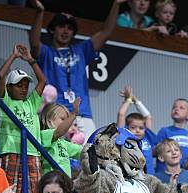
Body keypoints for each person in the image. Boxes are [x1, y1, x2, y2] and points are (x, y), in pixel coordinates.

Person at [30, 0, 123, 136]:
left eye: (70, 28)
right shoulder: (46, 53)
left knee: (90, 155)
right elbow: (34, 43)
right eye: (61, 26)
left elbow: (106, 32)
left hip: (83, 114)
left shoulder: (81, 50)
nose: (66, 31)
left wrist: (116, 4)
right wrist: (40, 13)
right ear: (51, 29)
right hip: (57, 113)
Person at [0, 43, 47, 193]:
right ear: (9, 88)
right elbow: (0, 76)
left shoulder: (31, 102)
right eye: (19, 86)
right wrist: (14, 56)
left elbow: (42, 80)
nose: (24, 89)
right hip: (11, 150)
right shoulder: (6, 101)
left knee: (34, 192)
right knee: (10, 189)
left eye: (26, 86)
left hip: (32, 151)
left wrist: (30, 59)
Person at [116, 85, 157, 174]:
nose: (137, 130)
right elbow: (121, 114)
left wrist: (135, 100)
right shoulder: (125, 138)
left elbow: (148, 116)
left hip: (149, 177)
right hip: (132, 176)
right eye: (133, 127)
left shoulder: (148, 137)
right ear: (127, 128)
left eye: (141, 128)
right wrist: (129, 100)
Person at [39, 99, 83, 176]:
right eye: (63, 119)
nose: (67, 123)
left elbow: (81, 150)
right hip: (51, 181)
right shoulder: (44, 134)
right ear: (49, 119)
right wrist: (74, 114)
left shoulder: (63, 143)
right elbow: (58, 132)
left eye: (67, 120)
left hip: (65, 182)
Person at [155, 98, 188, 169]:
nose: (177, 109)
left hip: (184, 172)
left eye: (181, 108)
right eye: (174, 107)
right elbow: (157, 151)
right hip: (166, 172)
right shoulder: (165, 131)